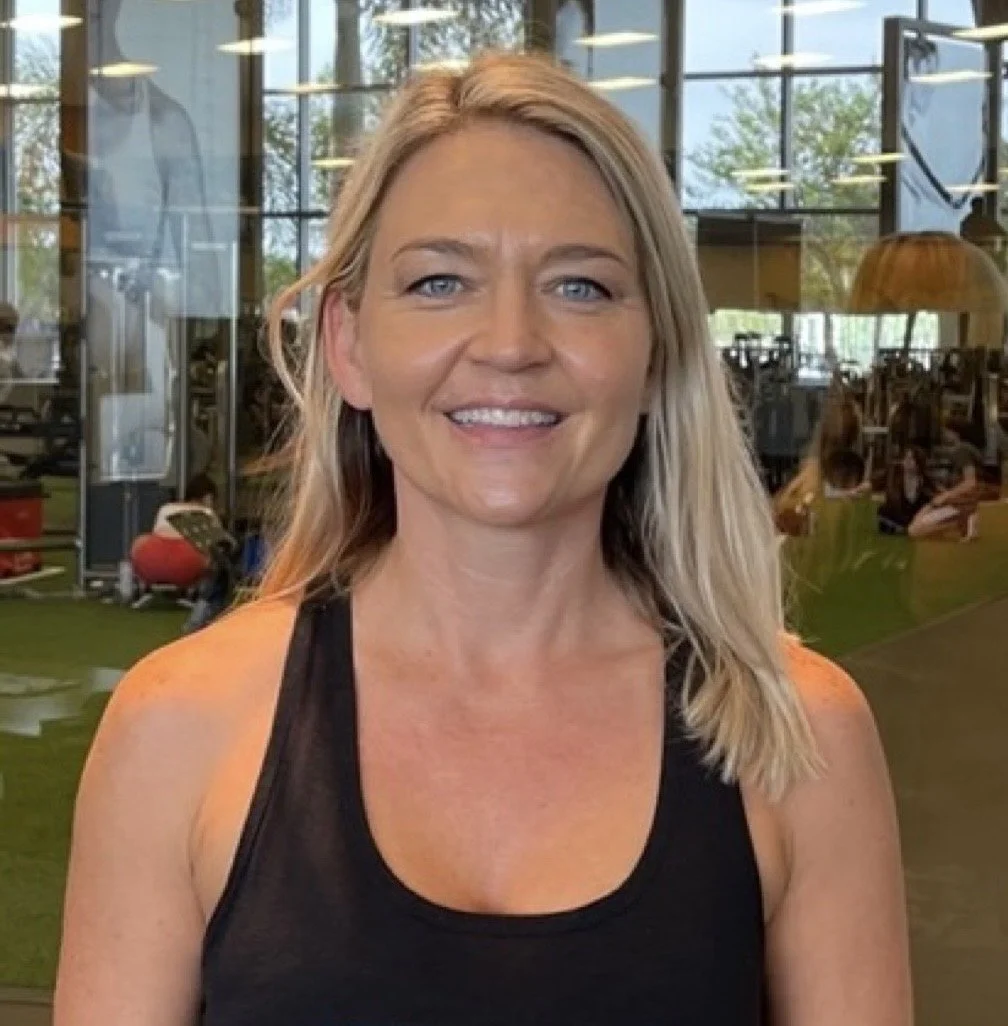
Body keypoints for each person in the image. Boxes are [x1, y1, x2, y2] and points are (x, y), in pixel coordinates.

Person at [55, 53, 911, 1026]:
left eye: (581, 287)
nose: (510, 342)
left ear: (656, 349)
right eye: (439, 282)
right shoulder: (181, 728)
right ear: (348, 344)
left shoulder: (798, 737)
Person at [879, 447, 934, 536]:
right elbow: (874, 482)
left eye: (911, 459)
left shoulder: (925, 480)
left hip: (915, 516)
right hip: (897, 514)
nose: (907, 461)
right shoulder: (894, 473)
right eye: (906, 458)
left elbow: (938, 494)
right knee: (884, 511)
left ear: (918, 463)